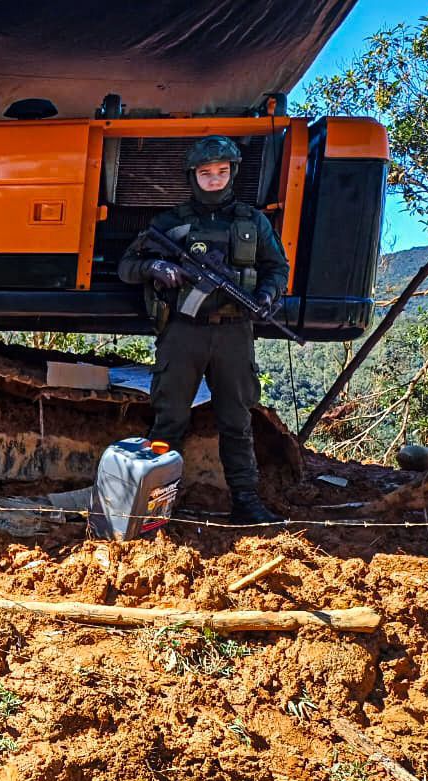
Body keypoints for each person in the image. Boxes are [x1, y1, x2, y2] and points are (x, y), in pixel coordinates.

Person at [119, 135, 289, 525]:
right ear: (193, 176)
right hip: (183, 332)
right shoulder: (171, 222)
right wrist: (155, 268)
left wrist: (266, 294)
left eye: (221, 172)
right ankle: (156, 508)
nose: (214, 180)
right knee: (169, 419)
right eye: (206, 173)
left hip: (233, 333)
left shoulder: (252, 222)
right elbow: (128, 266)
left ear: (232, 174)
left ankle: (246, 500)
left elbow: (277, 267)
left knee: (237, 418)